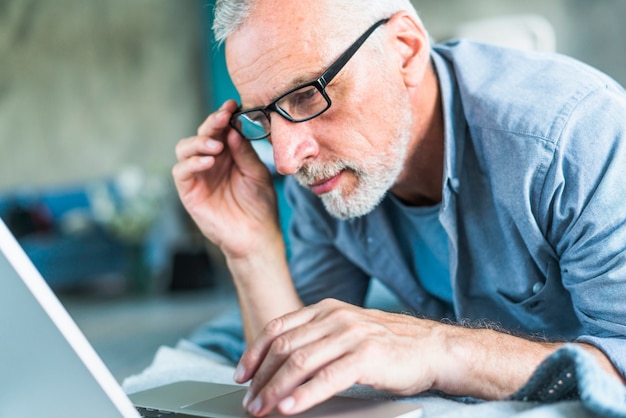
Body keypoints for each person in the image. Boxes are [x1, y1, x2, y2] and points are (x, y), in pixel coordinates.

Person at [172, 0, 626, 416]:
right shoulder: (325, 169)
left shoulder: (575, 137)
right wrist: (251, 249)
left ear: (405, 50)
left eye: (307, 95)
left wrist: (437, 348)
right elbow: (304, 367)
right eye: (265, 117)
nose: (287, 159)